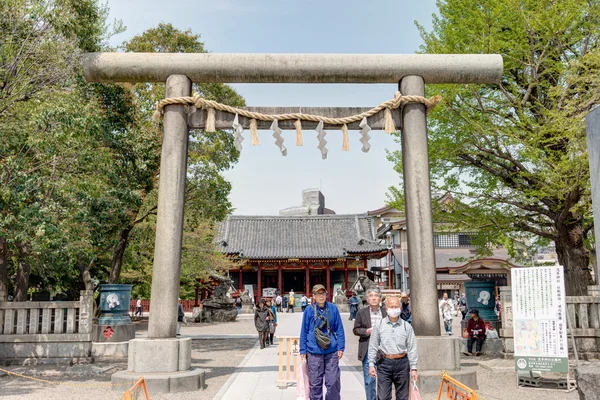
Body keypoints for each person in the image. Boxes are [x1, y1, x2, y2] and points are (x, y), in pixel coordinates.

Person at [300, 284, 345, 400]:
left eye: (323, 293)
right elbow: (304, 330)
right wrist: (302, 349)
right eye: (318, 294)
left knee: (333, 382)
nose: (321, 296)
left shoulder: (333, 308)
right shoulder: (309, 310)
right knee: (315, 384)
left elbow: (339, 328)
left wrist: (341, 347)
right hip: (314, 352)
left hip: (331, 351)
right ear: (313, 296)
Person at [368, 296, 418, 400]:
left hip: (402, 363)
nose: (394, 309)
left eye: (396, 306)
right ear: (386, 309)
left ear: (400, 308)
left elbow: (412, 347)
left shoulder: (406, 326)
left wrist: (413, 368)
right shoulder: (379, 325)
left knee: (403, 396)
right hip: (384, 363)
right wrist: (371, 364)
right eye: (391, 306)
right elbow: (373, 345)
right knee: (383, 396)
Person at [353, 287, 387, 400]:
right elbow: (356, 329)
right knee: (369, 380)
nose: (374, 298)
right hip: (368, 348)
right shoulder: (361, 312)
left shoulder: (385, 311)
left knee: (384, 380)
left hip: (384, 348)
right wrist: (367, 331)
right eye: (371, 296)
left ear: (380, 298)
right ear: (367, 299)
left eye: (376, 296)